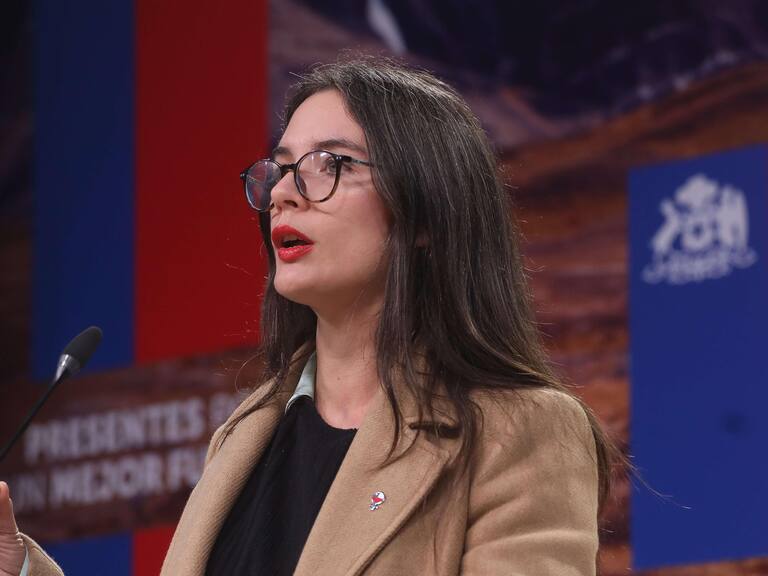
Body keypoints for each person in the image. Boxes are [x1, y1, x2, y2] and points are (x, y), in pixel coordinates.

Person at [0, 57, 613, 576]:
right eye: (282, 169)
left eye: (333, 164)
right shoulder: (244, 435)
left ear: (426, 215)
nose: (284, 194)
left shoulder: (519, 431)